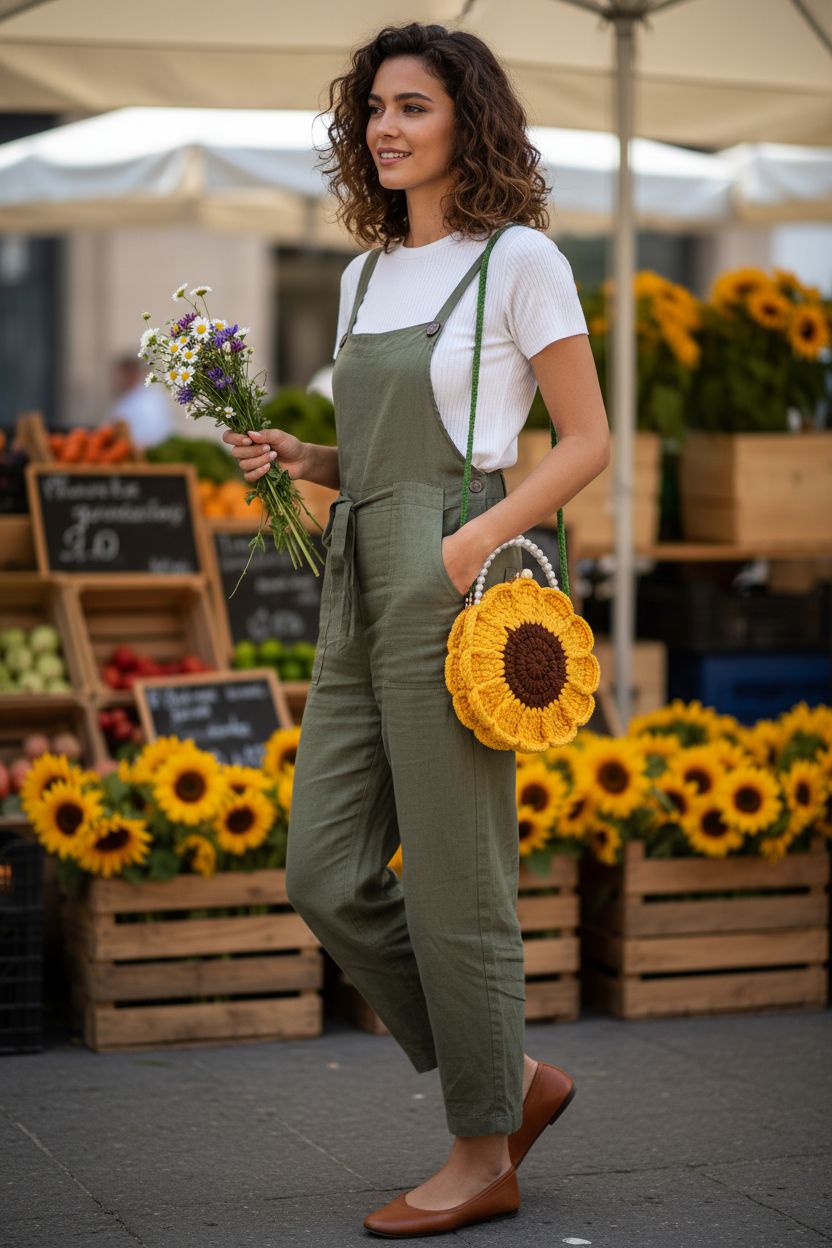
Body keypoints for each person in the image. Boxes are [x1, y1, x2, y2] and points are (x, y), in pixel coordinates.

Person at [223, 21, 610, 1238]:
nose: (384, 128)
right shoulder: (363, 276)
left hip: (454, 568)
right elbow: (380, 455)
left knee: (456, 880)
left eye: (412, 107)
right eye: (374, 108)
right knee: (325, 872)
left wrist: (464, 542)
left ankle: (482, 1151)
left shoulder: (521, 262)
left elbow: (587, 442)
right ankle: (510, 1077)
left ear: (466, 121)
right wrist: (308, 457)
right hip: (356, 572)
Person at [109, 354, 174, 449]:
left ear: (132, 374)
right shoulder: (126, 398)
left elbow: (151, 435)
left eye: (121, 375)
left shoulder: (149, 399)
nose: (117, 380)